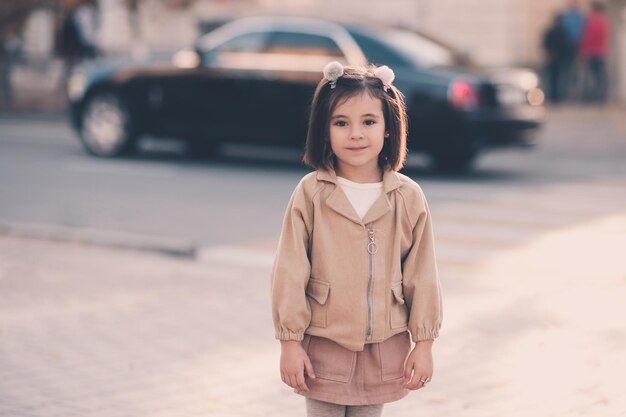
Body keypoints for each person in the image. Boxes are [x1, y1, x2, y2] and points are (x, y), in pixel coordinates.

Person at [270, 61, 443, 417]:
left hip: (383, 350)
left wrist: (424, 344)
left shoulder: (407, 197)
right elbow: (289, 271)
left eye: (369, 121)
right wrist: (289, 343)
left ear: (389, 128)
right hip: (323, 349)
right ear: (324, 130)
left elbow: (423, 275)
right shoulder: (310, 193)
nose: (356, 134)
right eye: (341, 123)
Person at [579, 1, 610, 102]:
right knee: (599, 77)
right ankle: (600, 97)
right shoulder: (604, 21)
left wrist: (584, 51)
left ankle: (588, 98)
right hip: (600, 52)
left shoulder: (590, 20)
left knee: (588, 77)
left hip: (590, 52)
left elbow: (586, 37)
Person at [542, 13, 573, 103]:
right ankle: (558, 97)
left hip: (554, 58)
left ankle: (553, 96)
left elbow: (545, 44)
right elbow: (568, 46)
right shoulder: (564, 32)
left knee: (553, 79)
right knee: (560, 79)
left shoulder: (552, 31)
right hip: (560, 59)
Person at [561, 0, 585, 99]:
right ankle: (566, 93)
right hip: (568, 49)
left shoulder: (580, 17)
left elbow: (583, 32)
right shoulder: (566, 16)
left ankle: (575, 94)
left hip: (577, 48)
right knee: (567, 72)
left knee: (576, 73)